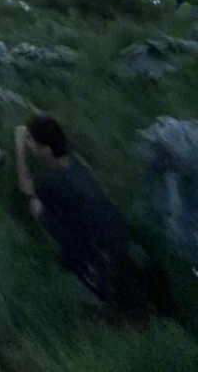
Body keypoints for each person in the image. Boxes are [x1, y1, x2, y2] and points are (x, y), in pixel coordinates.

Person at [14, 117, 131, 301]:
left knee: (37, 207)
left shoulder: (54, 184)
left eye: (32, 142)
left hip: (93, 261)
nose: (29, 145)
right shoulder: (76, 165)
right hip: (117, 244)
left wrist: (20, 148)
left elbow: (26, 190)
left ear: (45, 150)